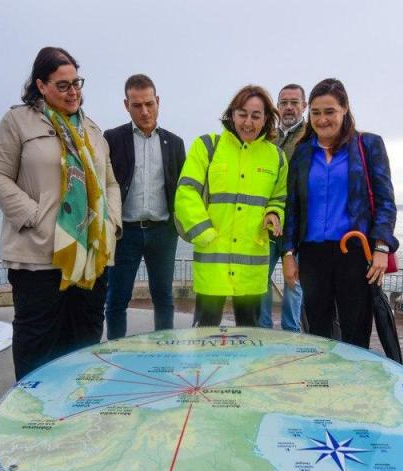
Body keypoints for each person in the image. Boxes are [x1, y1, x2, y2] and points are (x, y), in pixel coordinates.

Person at [0, 47, 122, 380]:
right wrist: (33, 215)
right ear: (41, 85)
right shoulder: (17, 121)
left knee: (85, 337)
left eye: (77, 82)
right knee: (38, 341)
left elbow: (111, 183)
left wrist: (111, 222)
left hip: (91, 255)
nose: (73, 91)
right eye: (63, 85)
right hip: (39, 256)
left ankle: (75, 406)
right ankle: (31, 415)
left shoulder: (92, 130)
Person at [282, 78, 398, 348]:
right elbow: (292, 208)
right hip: (312, 255)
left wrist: (381, 247)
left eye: (330, 111)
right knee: (318, 332)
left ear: (345, 109)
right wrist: (288, 254)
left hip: (355, 253)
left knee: (355, 332)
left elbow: (385, 201)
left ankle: (355, 386)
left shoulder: (368, 145)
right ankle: (324, 386)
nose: (322, 120)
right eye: (316, 113)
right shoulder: (301, 152)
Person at [174, 85, 287, 327]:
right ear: (231, 114)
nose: (248, 122)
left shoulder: (276, 157)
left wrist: (274, 214)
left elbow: (280, 198)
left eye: (256, 116)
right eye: (242, 114)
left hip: (251, 266)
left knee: (250, 335)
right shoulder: (207, 146)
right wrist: (203, 231)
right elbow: (186, 191)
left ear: (266, 119)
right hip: (213, 260)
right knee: (205, 333)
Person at [103, 75, 186, 339]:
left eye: (149, 103)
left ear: (158, 101)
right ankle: (117, 352)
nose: (145, 111)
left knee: (163, 297)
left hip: (163, 231)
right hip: (124, 233)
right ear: (126, 105)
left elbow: (182, 190)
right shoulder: (112, 139)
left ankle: (165, 352)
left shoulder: (175, 143)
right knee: (117, 299)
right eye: (137, 105)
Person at [259, 84, 307, 331]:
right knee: (260, 280)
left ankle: (291, 332)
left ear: (304, 106)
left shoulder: (311, 136)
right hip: (267, 224)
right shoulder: (267, 137)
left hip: (297, 226)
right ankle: (264, 331)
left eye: (294, 102)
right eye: (284, 102)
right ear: (277, 107)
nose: (288, 107)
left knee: (293, 283)